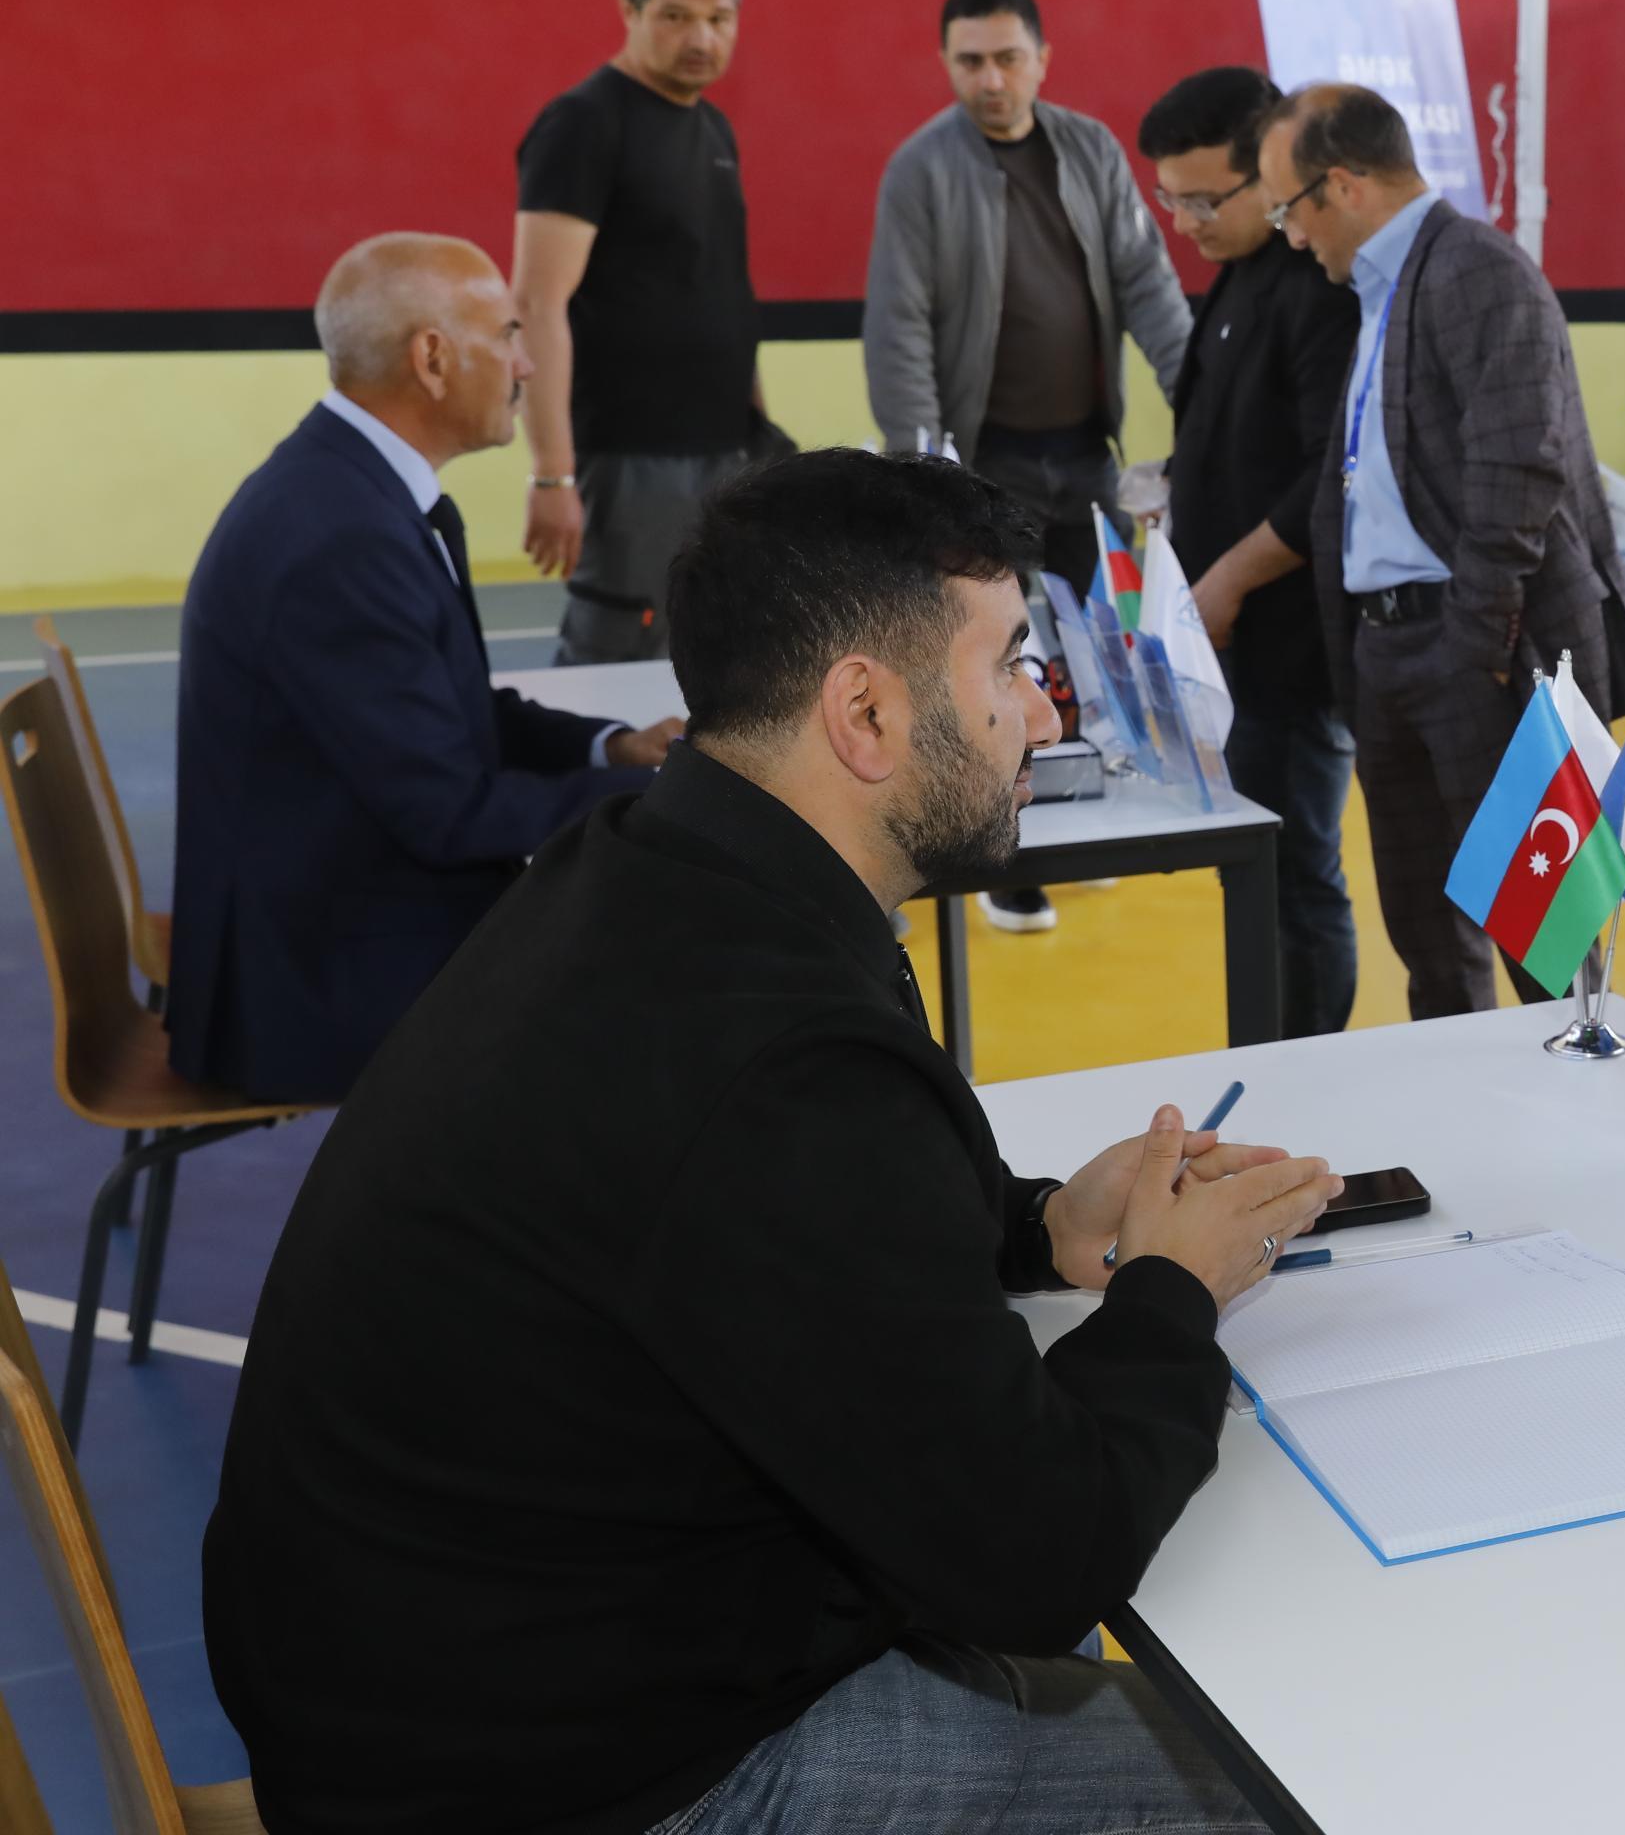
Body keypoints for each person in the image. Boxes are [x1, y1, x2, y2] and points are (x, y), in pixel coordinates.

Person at [204, 448, 1341, 1834]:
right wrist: (1172, 1290)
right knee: (1295, 1788)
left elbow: (772, 1232)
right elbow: (1045, 1560)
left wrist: (1035, 1223)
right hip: (579, 1783)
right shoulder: (775, 1055)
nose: (1044, 713)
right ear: (864, 711)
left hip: (427, 1692)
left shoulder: (653, 873)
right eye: (1006, 666)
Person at [164, 235, 678, 1105]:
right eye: (507, 335)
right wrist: (676, 796)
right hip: (324, 976)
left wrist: (614, 751)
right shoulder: (341, 536)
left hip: (340, 910)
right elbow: (449, 815)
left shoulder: (346, 490)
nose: (525, 364)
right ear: (433, 359)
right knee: (671, 994)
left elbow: (450, 713)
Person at [1255, 83, 1625, 1018]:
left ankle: (1582, 1101)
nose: (1292, 236)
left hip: (1477, 649)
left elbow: (1518, 469)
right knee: (1430, 945)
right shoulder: (1385, 290)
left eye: (1288, 209)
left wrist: (1477, 650)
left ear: (1342, 186)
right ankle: (1470, 1107)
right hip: (1396, 652)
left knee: (1547, 945)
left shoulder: (1476, 269)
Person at [864, 0, 1195, 935]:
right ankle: (1001, 855)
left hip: (1085, 455)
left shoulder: (1089, 150)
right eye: (970, 61)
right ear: (947, 63)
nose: (991, 78)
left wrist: (1203, 406)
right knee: (990, 666)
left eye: (1008, 58)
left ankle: (1078, 815)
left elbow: (1150, 288)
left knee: (1093, 661)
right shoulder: (920, 171)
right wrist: (925, 472)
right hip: (982, 463)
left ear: (1042, 60)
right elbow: (900, 328)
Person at [1139, 66, 1362, 1036]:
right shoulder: (1237, 274)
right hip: (1230, 646)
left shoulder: (1316, 289)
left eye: (1204, 199)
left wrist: (1227, 577)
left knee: (1295, 870)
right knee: (1258, 871)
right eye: (1170, 200)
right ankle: (1270, 1049)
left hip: (1290, 646)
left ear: (1269, 173)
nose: (1185, 222)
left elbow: (1329, 476)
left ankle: (1302, 1067)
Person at [512, 0, 776, 666]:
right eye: (675, 16)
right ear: (629, 11)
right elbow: (535, 304)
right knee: (620, 653)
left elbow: (723, 288)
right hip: (632, 458)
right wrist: (552, 473)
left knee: (722, 651)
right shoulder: (583, 124)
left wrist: (756, 427)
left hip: (725, 450)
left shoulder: (714, 128)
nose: (702, 38)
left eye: (719, 18)